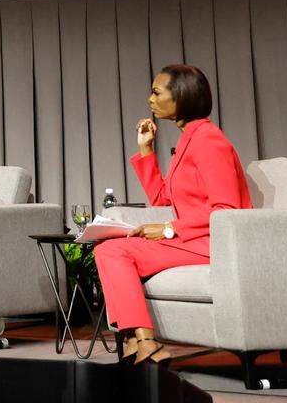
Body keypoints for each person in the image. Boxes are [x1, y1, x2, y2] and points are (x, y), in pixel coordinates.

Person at [95, 64, 251, 364]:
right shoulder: (189, 139)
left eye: (157, 92)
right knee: (109, 249)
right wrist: (146, 151)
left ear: (181, 97)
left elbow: (226, 210)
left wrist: (168, 229)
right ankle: (136, 341)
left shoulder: (209, 140)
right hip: (191, 240)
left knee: (114, 252)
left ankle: (144, 342)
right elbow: (162, 197)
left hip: (211, 244)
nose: (150, 99)